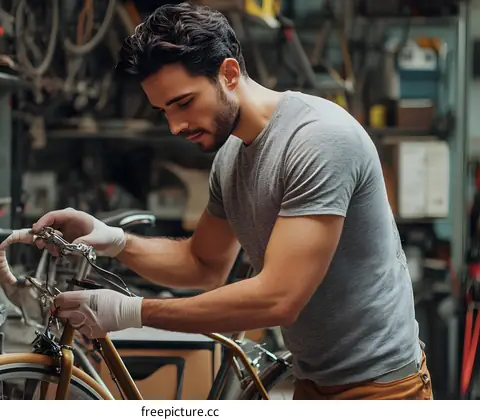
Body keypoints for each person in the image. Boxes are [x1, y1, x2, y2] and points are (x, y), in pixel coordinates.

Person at [32, 2, 432, 400]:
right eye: (162, 111)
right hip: (314, 384)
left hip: (383, 389)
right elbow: (203, 264)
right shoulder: (230, 157)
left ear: (228, 73)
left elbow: (279, 299)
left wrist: (130, 312)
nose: (174, 126)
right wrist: (115, 240)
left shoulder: (318, 140)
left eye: (184, 103)